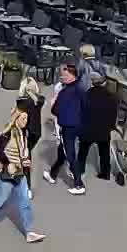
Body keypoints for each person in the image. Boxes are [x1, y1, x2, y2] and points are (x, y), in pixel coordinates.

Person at [0, 103, 45, 243]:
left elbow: (22, 151)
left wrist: (25, 161)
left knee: (24, 202)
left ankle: (29, 232)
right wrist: (8, 163)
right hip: (6, 174)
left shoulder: (23, 133)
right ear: (16, 119)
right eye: (23, 119)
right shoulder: (8, 133)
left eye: (26, 119)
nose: (25, 121)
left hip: (19, 173)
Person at [44, 63, 87, 194]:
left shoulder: (65, 92)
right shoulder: (80, 88)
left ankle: (79, 184)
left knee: (69, 153)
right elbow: (85, 106)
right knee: (62, 150)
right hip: (77, 124)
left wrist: (55, 104)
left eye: (64, 74)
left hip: (67, 125)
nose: (62, 77)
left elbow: (55, 110)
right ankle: (52, 174)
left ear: (72, 75)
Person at [79, 77, 125, 186]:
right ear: (104, 83)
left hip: (88, 129)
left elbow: (81, 113)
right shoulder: (112, 97)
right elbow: (113, 115)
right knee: (104, 153)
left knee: (82, 152)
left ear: (92, 83)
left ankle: (80, 171)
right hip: (104, 130)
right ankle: (105, 173)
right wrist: (111, 127)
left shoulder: (86, 95)